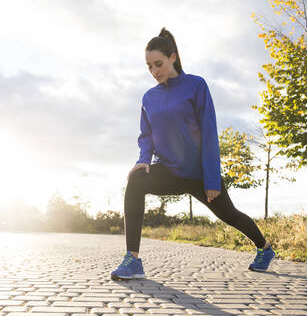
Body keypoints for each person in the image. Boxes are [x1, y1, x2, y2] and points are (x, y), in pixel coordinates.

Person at [111, 27, 276, 280]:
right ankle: (132, 260)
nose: (155, 71)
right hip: (169, 171)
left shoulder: (196, 86)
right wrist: (143, 161)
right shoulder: (149, 97)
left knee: (229, 215)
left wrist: (211, 178)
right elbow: (147, 137)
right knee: (135, 180)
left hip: (199, 173)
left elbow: (209, 133)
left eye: (159, 64)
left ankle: (264, 248)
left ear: (173, 58)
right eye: (149, 67)